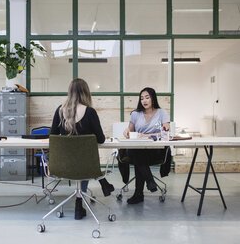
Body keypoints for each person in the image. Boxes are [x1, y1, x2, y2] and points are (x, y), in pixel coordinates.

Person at [50, 78, 115, 220]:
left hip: (63, 165)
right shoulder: (90, 112)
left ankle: (80, 201)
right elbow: (101, 139)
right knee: (84, 157)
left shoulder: (60, 111)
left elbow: (52, 136)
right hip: (87, 167)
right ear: (86, 93)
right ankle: (80, 202)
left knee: (80, 158)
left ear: (70, 92)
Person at [123, 87, 170, 204]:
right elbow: (130, 130)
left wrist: (149, 136)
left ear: (153, 98)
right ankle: (150, 181)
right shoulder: (135, 114)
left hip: (154, 151)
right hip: (136, 149)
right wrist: (127, 131)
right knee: (138, 153)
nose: (144, 100)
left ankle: (139, 194)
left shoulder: (162, 113)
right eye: (142, 98)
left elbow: (166, 132)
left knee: (139, 159)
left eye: (147, 98)